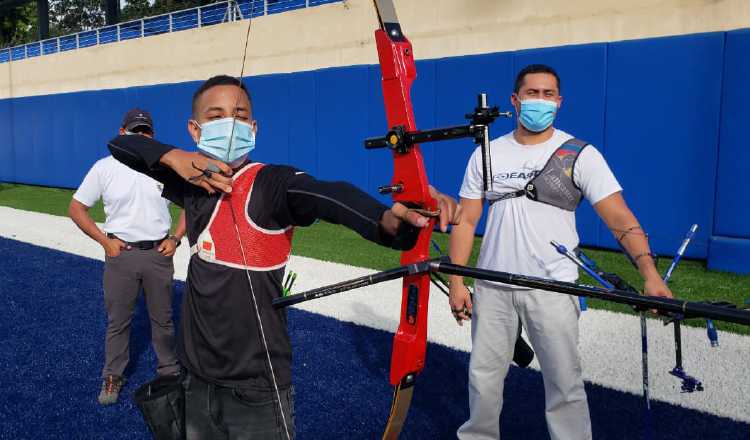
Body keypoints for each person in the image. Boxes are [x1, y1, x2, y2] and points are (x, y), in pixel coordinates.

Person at [106, 74, 461, 440]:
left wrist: (390, 221)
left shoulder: (272, 184)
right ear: (195, 131)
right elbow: (121, 145)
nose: (230, 124)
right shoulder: (191, 183)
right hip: (195, 375)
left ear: (254, 127)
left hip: (257, 387)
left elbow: (327, 195)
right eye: (216, 116)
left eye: (240, 115)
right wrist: (174, 156)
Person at [448, 64, 672, 440]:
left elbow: (619, 216)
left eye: (548, 94)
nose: (540, 101)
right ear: (515, 101)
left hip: (553, 288)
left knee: (564, 384)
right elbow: (466, 221)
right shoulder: (487, 154)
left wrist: (650, 275)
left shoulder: (579, 154)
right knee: (483, 377)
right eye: (532, 93)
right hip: (492, 285)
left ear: (560, 102)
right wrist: (457, 281)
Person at [69, 109, 186, 405]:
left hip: (159, 254)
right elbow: (76, 208)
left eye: (145, 131)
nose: (140, 136)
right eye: (135, 131)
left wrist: (176, 238)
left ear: (152, 135)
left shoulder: (164, 167)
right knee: (119, 321)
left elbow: (190, 203)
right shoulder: (104, 167)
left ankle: (169, 371)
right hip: (122, 255)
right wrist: (104, 241)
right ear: (122, 133)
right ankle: (112, 376)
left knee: (163, 319)